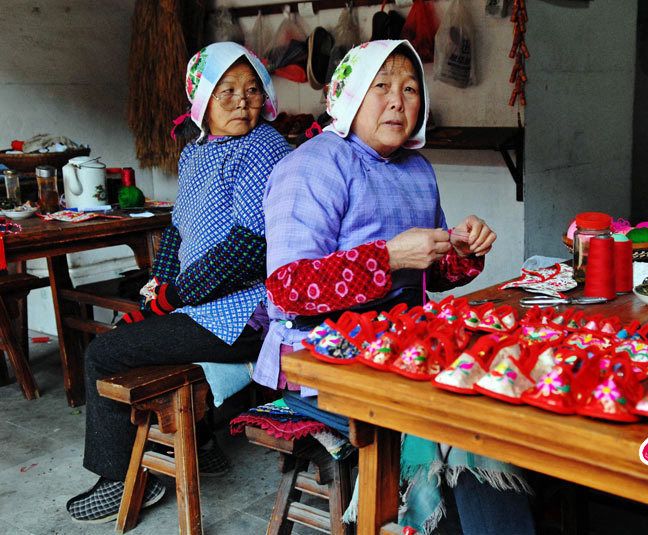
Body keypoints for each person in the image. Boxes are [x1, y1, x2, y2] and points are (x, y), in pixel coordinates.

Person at [253, 39, 535, 535]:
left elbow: (433, 275)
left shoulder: (417, 170)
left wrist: (462, 253)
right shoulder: (312, 166)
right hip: (319, 356)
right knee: (454, 418)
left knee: (488, 395)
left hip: (399, 342)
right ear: (349, 94)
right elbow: (287, 289)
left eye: (410, 89)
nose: (398, 102)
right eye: (381, 87)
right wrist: (388, 256)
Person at [66, 42, 292, 524]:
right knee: (136, 325)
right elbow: (179, 228)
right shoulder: (196, 151)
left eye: (253, 90)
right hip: (203, 305)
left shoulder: (263, 147)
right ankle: (203, 445)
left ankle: (124, 478)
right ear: (203, 99)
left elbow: (252, 247)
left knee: (104, 352)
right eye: (226, 90)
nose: (242, 101)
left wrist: (176, 295)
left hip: (243, 314)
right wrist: (160, 281)